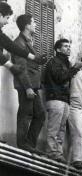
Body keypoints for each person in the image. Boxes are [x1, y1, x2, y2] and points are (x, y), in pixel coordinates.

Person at [43, 38, 82, 162]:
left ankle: (58, 154)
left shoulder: (65, 63)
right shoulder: (54, 61)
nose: (68, 48)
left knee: (61, 129)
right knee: (54, 128)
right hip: (55, 98)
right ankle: (51, 152)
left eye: (69, 46)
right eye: (65, 46)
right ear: (58, 49)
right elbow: (60, 78)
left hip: (64, 99)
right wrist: (74, 68)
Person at [12, 14, 46, 154]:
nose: (36, 24)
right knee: (25, 114)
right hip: (27, 86)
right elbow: (21, 68)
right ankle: (22, 144)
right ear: (27, 25)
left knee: (40, 114)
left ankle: (29, 144)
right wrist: (27, 88)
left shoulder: (27, 42)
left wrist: (39, 60)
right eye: (34, 22)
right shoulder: (19, 43)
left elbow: (30, 63)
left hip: (33, 86)